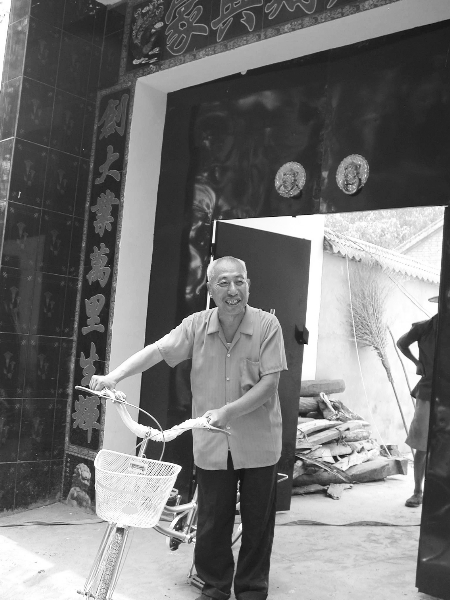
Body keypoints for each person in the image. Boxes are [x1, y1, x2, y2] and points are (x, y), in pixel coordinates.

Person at [89, 256, 287, 600]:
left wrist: (228, 412)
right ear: (209, 289)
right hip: (212, 443)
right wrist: (113, 377)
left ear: (248, 285)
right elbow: (156, 351)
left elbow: (269, 384)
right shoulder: (196, 326)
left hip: (260, 443)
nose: (233, 290)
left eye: (239, 281)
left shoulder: (267, 326)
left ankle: (252, 590)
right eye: (223, 282)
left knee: (258, 523)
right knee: (212, 521)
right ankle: (214, 588)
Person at [397, 296, 439, 508]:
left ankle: (440, 494)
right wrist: (417, 363)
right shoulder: (424, 328)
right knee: (422, 444)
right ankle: (417, 492)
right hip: (428, 392)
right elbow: (401, 343)